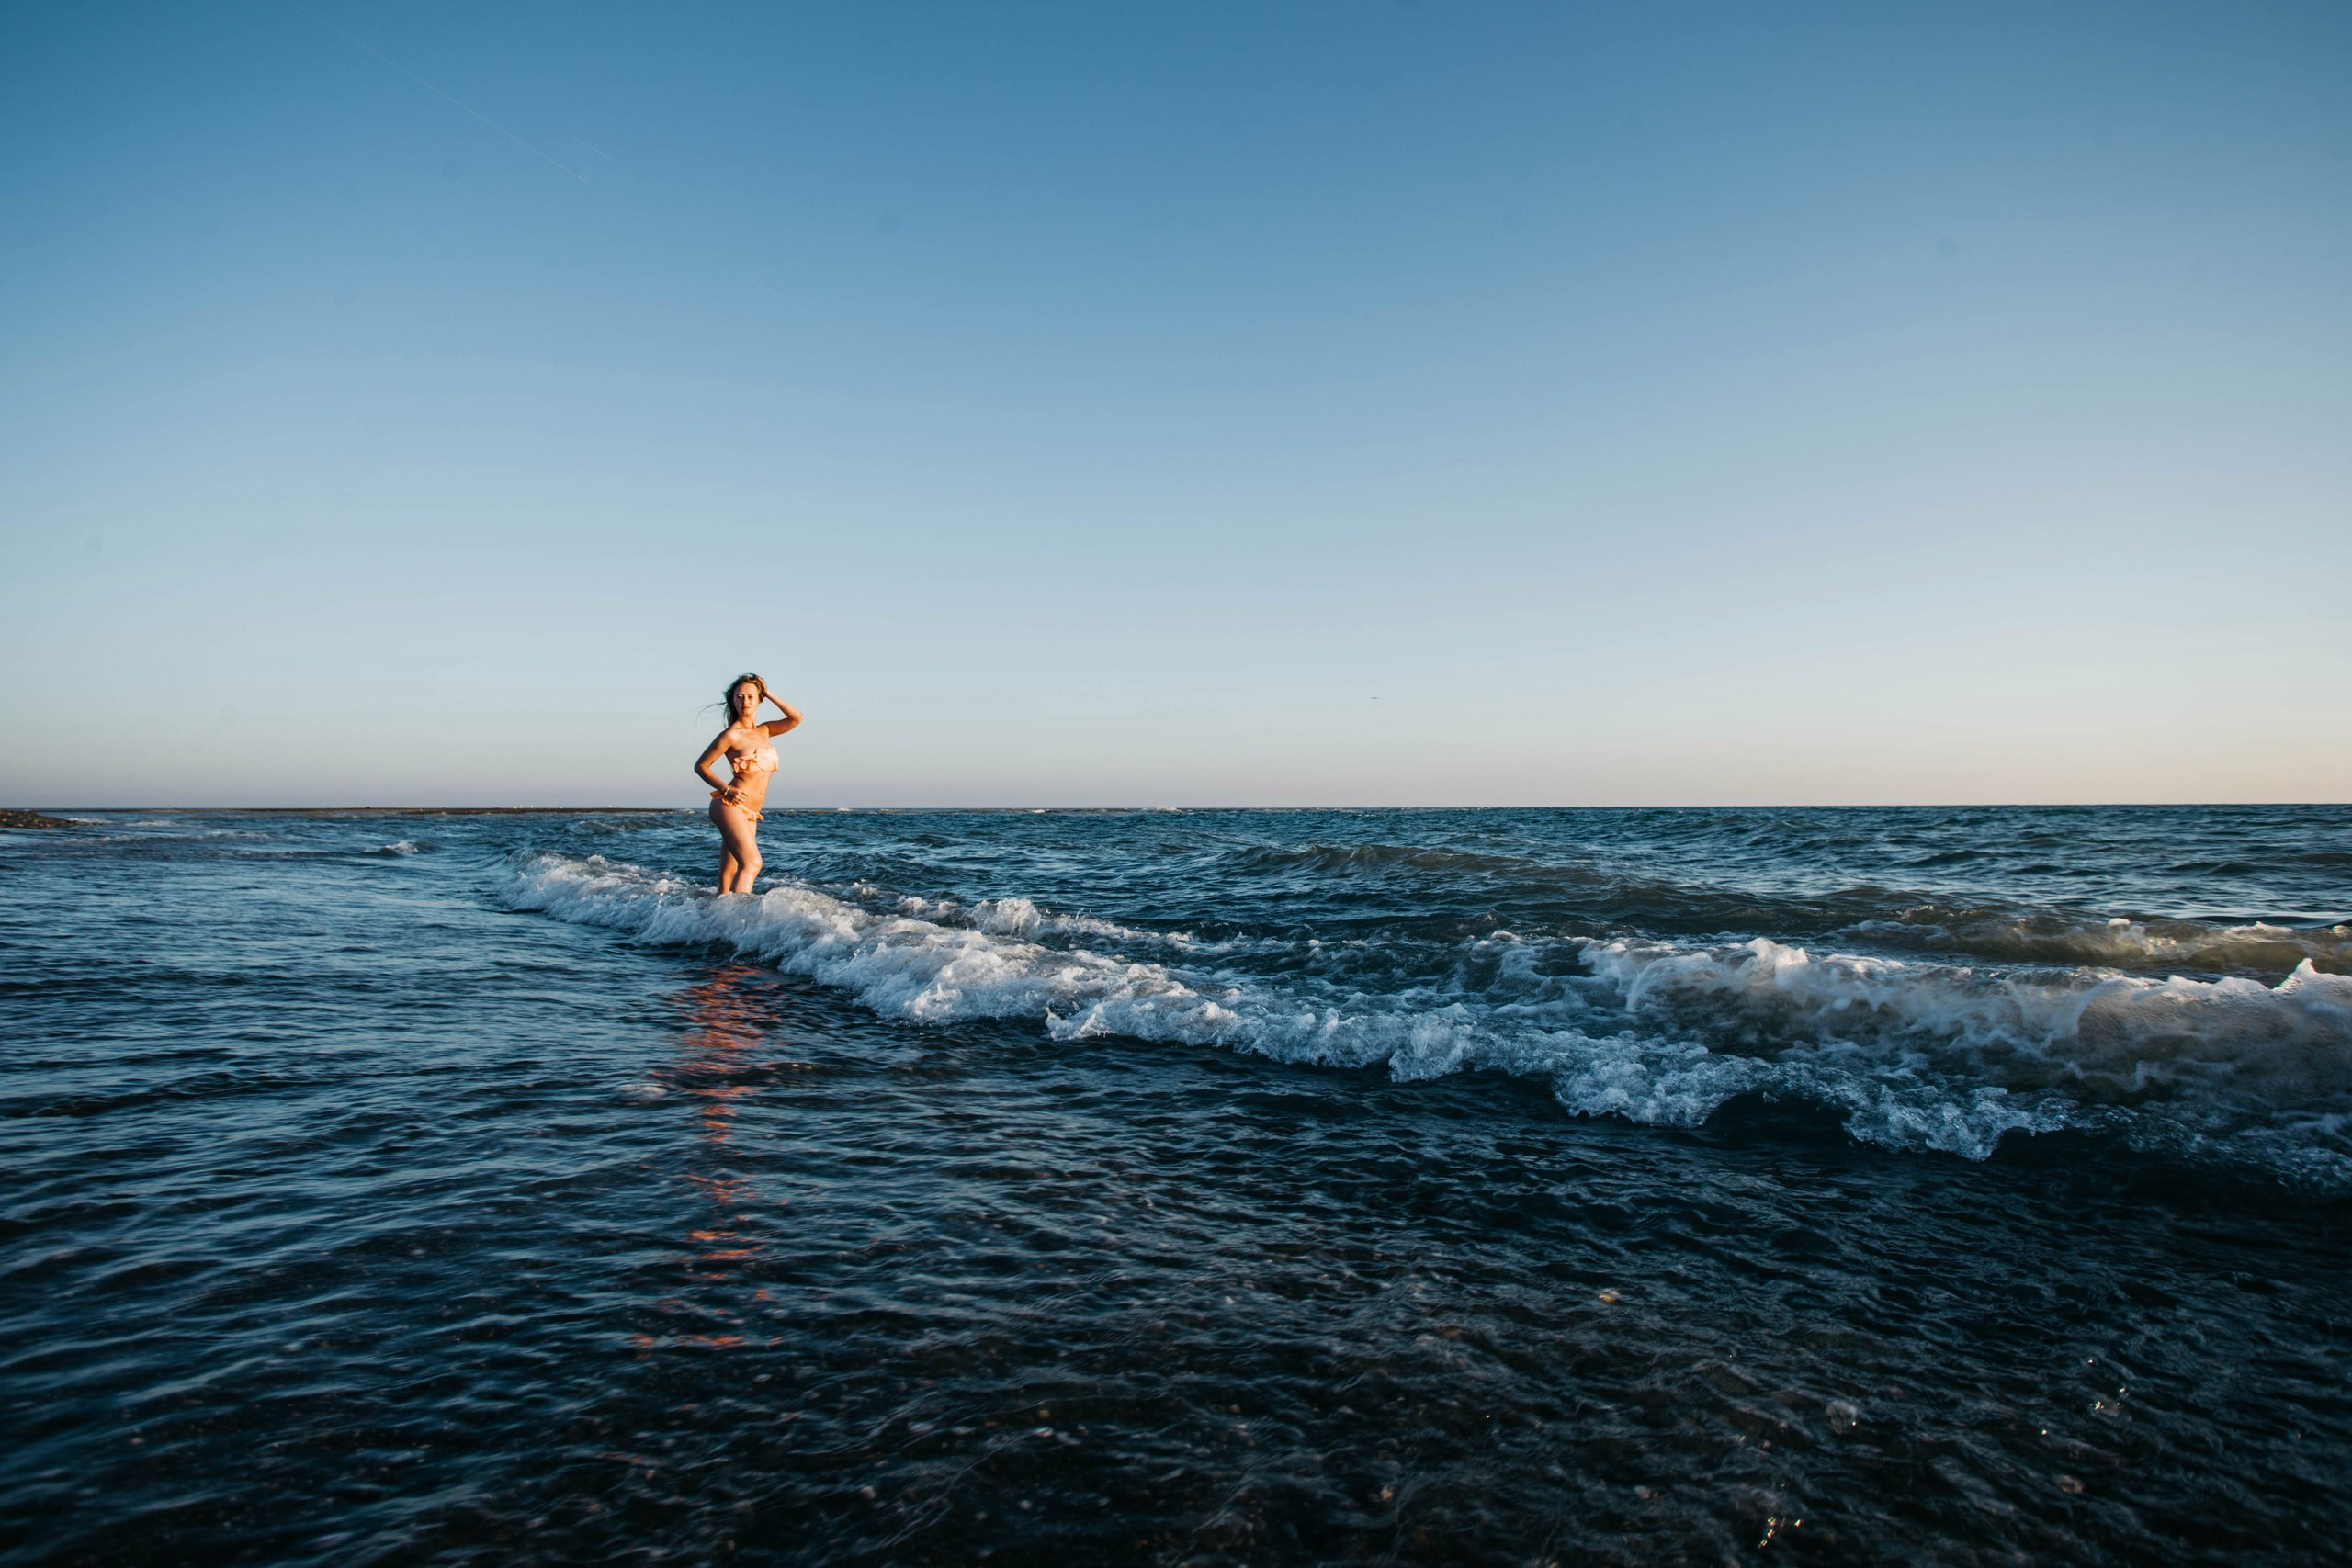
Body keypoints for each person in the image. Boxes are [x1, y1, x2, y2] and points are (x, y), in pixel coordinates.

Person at [693, 674, 803, 893]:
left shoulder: (765, 730)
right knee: (752, 863)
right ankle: (741, 918)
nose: (745, 702)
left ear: (759, 700)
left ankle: (719, 918)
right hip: (730, 805)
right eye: (740, 697)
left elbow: (796, 718)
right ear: (733, 701)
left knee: (728, 875)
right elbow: (701, 766)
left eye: (751, 697)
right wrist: (726, 789)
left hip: (750, 812)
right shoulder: (731, 735)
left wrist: (767, 691)